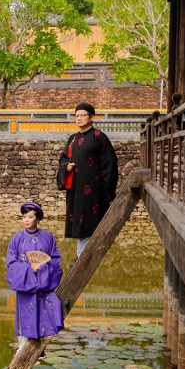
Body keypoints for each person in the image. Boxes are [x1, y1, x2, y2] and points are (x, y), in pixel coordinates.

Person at [56, 102, 119, 259]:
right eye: (76, 116)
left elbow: (109, 164)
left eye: (82, 115)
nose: (79, 118)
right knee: (79, 220)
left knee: (89, 221)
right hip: (76, 189)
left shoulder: (99, 137)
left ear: (91, 117)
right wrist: (66, 166)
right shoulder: (73, 138)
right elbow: (63, 158)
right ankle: (82, 256)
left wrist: (106, 190)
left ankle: (83, 257)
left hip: (93, 189)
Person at [6, 202, 64, 350]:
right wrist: (27, 268)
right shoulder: (16, 239)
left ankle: (39, 347)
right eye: (24, 217)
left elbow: (56, 261)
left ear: (37, 218)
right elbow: (11, 264)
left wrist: (42, 267)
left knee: (43, 316)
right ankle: (22, 349)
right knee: (25, 318)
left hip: (43, 286)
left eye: (30, 217)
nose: (26, 220)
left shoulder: (48, 237)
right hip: (25, 287)